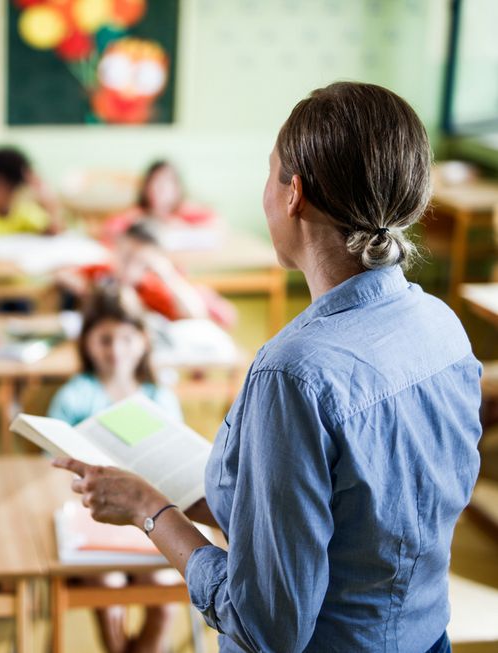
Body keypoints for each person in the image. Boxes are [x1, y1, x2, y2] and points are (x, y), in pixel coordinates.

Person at [58, 82, 481, 653]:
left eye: (269, 172)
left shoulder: (293, 374)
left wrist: (148, 509)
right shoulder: (442, 326)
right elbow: (366, 518)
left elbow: (267, 626)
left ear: (293, 194)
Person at [49, 288, 182, 653]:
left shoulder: (160, 397)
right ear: (87, 343)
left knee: (164, 594)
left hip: (150, 521)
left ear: (143, 341)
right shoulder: (74, 396)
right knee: (108, 590)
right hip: (89, 518)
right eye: (105, 339)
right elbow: (51, 465)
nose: (116, 349)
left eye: (126, 338)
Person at [56, 221, 236, 329]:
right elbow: (62, 275)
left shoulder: (149, 288)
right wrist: (89, 290)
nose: (128, 267)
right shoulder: (103, 272)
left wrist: (168, 276)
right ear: (116, 249)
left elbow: (195, 314)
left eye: (139, 262)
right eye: (125, 257)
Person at [100, 160, 217, 245]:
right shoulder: (137, 215)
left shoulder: (186, 211)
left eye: (167, 183)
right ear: (145, 188)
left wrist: (186, 228)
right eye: (155, 183)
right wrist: (137, 229)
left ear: (178, 188)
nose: (161, 189)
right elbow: (110, 230)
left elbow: (216, 226)